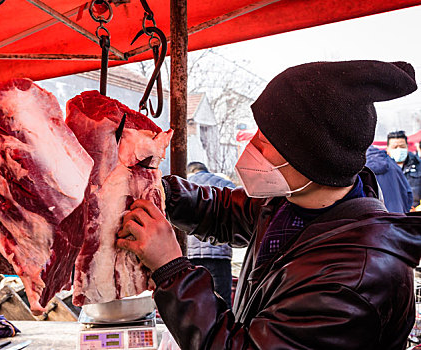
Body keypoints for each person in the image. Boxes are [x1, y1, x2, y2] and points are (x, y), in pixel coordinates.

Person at [116, 60, 421, 349]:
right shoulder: (292, 202)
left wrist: (171, 268)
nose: (250, 150)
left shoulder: (354, 278)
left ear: (311, 161)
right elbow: (225, 211)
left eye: (265, 142)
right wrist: (162, 192)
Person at [186, 161, 235, 306]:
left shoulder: (183, 185)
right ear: (206, 171)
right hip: (219, 255)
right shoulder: (225, 184)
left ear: (190, 172)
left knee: (193, 304)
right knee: (222, 304)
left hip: (190, 256)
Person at [365, 145, 413, 213]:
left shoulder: (358, 167)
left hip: (372, 219)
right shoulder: (392, 164)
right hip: (397, 216)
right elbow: (409, 194)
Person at [387, 130, 421, 208]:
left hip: (414, 214)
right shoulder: (382, 169)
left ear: (407, 147)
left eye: (402, 147)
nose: (399, 150)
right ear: (387, 149)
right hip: (391, 214)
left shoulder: (419, 165)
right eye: (395, 147)